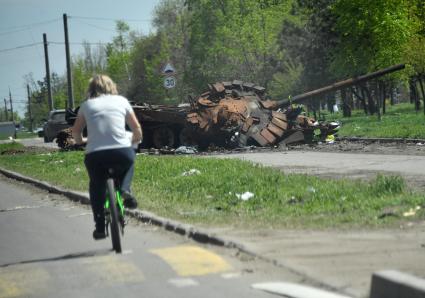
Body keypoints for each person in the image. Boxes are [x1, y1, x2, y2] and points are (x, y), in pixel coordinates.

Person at [72, 74, 143, 240]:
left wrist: (81, 141)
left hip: (95, 155)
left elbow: (75, 131)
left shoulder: (86, 105)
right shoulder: (122, 101)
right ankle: (125, 189)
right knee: (129, 161)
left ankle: (99, 226)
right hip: (121, 152)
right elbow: (137, 129)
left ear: (91, 89)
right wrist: (134, 140)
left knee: (96, 186)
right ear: (112, 86)